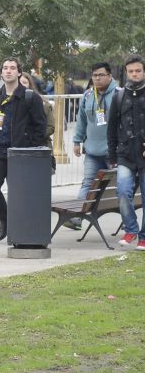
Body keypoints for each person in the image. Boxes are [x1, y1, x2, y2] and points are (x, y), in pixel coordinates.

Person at [0, 58, 47, 241]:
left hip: (20, 152)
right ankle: (5, 221)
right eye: (5, 68)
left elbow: (40, 126)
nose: (8, 71)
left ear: (19, 72)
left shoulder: (29, 97)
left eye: (12, 68)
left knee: (18, 193)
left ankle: (21, 230)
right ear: (1, 73)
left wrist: (29, 146)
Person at [66, 63, 118, 231]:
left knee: (121, 187)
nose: (97, 78)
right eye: (94, 75)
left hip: (114, 152)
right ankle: (77, 218)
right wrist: (77, 141)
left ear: (110, 76)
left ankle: (128, 221)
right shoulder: (88, 95)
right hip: (92, 151)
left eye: (101, 75)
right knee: (88, 183)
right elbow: (81, 120)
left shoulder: (119, 95)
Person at [107, 56, 145, 248]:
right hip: (125, 154)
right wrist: (112, 156)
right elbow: (112, 127)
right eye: (131, 71)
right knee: (122, 191)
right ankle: (131, 230)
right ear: (126, 73)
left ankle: (144, 237)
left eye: (138, 70)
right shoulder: (119, 96)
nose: (135, 74)